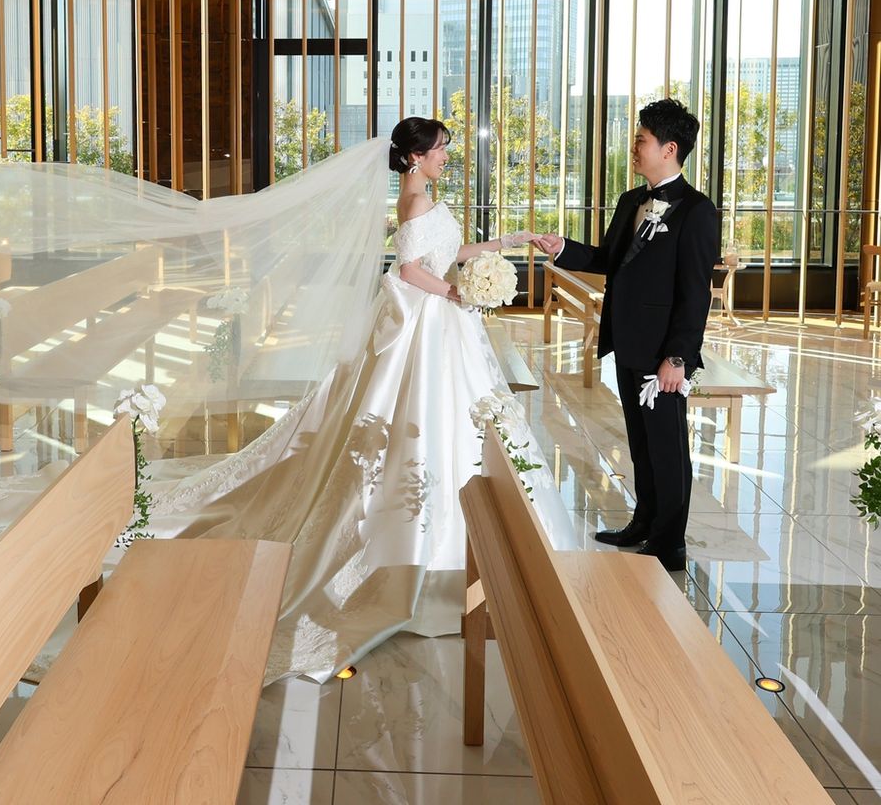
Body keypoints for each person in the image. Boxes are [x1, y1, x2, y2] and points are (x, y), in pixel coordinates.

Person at [148, 116, 569, 680]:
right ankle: (426, 558)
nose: (446, 155)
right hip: (427, 325)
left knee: (455, 418)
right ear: (415, 156)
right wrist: (456, 291)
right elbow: (410, 269)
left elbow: (449, 249)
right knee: (423, 417)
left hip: (445, 322)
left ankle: (465, 546)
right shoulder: (413, 201)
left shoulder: (424, 196)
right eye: (440, 148)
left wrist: (507, 244)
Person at [533, 98, 717, 571]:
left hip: (664, 356)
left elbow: (695, 294)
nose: (634, 148)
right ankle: (644, 521)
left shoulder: (697, 211)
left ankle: (669, 544)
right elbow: (609, 259)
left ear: (669, 149)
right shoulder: (631, 201)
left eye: (641, 141)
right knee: (641, 443)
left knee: (668, 448)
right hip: (629, 342)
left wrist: (678, 358)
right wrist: (563, 248)